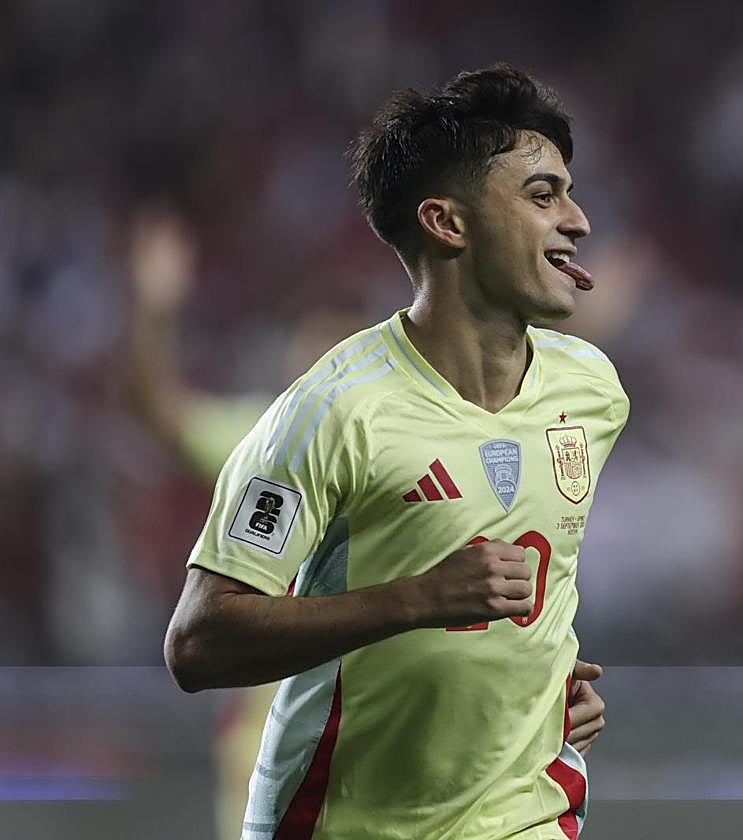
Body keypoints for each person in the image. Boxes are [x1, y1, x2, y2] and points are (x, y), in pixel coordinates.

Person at [163, 64, 627, 840]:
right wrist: (416, 600)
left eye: (570, 194)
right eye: (543, 196)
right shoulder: (332, 411)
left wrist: (541, 676)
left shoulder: (591, 392)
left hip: (527, 814)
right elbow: (199, 642)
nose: (576, 220)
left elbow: (531, 596)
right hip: (346, 820)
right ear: (448, 223)